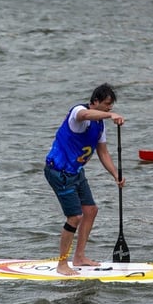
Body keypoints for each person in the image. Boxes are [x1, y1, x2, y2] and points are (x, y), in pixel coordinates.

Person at [44, 83, 125, 276]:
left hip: (76, 172)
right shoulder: (78, 112)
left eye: (111, 106)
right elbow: (85, 115)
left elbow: (103, 153)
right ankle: (62, 265)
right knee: (74, 217)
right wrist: (109, 115)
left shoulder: (100, 126)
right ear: (94, 101)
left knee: (90, 210)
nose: (109, 108)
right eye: (106, 104)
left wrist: (115, 175)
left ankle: (79, 257)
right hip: (59, 171)